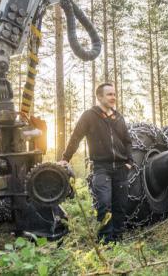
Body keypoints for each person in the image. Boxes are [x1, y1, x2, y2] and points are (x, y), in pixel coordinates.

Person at [60, 83, 133, 243]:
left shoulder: (119, 117)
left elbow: (127, 141)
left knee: (120, 205)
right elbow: (76, 137)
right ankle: (105, 241)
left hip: (121, 168)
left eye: (114, 94)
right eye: (109, 94)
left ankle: (118, 239)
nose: (113, 97)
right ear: (99, 97)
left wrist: (129, 162)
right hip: (102, 168)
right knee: (104, 204)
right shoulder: (89, 116)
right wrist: (66, 158)